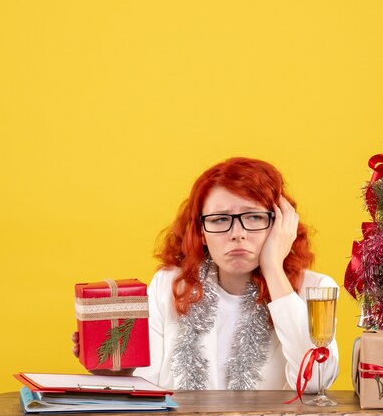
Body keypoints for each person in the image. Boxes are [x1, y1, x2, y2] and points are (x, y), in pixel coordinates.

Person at [73, 157, 339, 391]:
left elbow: (316, 380)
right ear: (200, 231)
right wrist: (116, 373)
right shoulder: (168, 286)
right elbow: (149, 386)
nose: (238, 233)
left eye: (255, 217)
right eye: (220, 219)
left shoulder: (315, 289)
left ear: (281, 224)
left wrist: (273, 268)